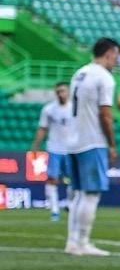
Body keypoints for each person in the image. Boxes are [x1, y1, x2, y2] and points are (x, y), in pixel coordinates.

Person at [65, 38, 119, 257]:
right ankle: (83, 242)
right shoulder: (104, 78)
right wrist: (112, 144)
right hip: (92, 140)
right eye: (115, 56)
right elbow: (105, 114)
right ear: (108, 53)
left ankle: (72, 242)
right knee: (91, 195)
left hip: (73, 140)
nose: (116, 61)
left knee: (78, 195)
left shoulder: (79, 73)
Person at [31, 81, 76, 222]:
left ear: (68, 92)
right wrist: (36, 146)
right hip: (54, 148)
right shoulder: (49, 109)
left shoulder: (75, 108)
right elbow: (42, 128)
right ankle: (54, 210)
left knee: (73, 180)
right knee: (52, 179)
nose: (61, 94)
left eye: (63, 91)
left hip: (71, 149)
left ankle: (69, 204)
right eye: (58, 91)